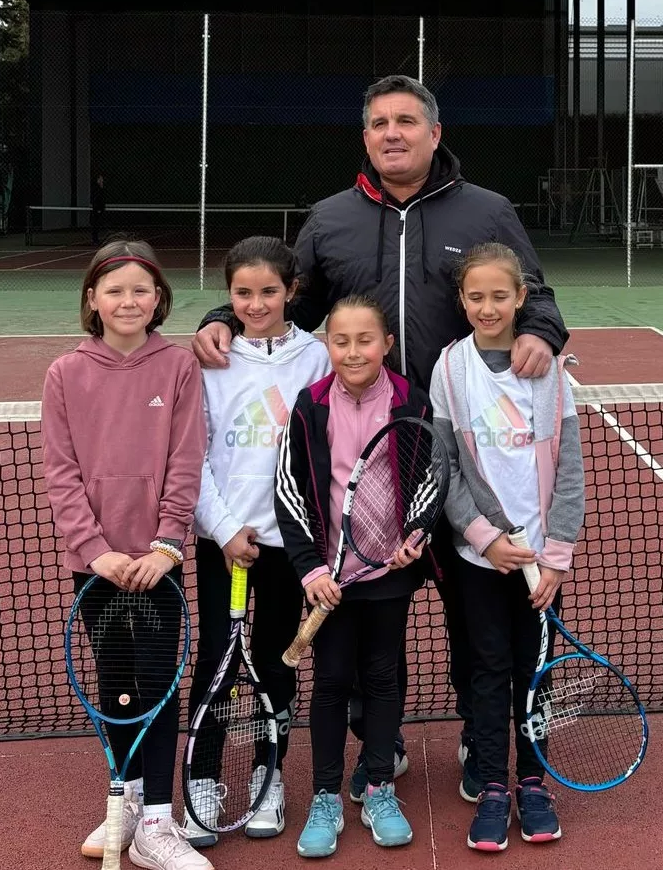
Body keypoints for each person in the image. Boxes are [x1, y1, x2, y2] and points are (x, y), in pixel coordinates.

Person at [190, 74, 570, 798]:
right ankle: (378, 741)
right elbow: (284, 297)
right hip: (352, 459)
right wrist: (223, 315)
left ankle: (485, 743)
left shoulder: (488, 210)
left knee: (480, 615)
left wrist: (544, 335)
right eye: (377, 124)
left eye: (405, 121)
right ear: (364, 136)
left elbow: (536, 294)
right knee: (362, 615)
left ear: (434, 131)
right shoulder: (331, 219)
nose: (391, 133)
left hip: (459, 455)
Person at [40, 240, 212, 870]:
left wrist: (168, 545)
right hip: (99, 570)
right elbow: (61, 472)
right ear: (92, 299)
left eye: (142, 289)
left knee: (159, 686)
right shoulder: (64, 372)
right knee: (115, 684)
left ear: (159, 299)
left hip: (157, 565)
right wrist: (95, 551)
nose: (128, 300)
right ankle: (127, 803)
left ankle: (161, 823)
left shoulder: (178, 368)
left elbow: (186, 459)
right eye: (114, 290)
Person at [429, 242, 583, 851]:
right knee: (489, 672)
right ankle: (494, 784)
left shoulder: (550, 374)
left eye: (500, 295)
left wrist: (555, 558)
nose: (487, 307)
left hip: (542, 567)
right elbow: (444, 470)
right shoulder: (449, 370)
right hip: (479, 562)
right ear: (461, 300)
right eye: (475, 297)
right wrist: (486, 539)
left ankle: (534, 781)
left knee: (535, 674)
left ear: (522, 297)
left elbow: (568, 470)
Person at [182, 236, 331, 848]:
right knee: (216, 663)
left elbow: (324, 453)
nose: (256, 303)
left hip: (288, 549)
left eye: (269, 291)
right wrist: (222, 530)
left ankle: (268, 779)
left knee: (275, 663)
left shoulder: (317, 360)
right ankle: (203, 780)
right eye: (242, 293)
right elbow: (193, 457)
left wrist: (299, 537)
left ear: (292, 290)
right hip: (225, 542)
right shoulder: (211, 361)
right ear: (228, 296)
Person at [272, 295, 433, 858]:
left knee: (383, 676)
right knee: (333, 682)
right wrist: (312, 568)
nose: (353, 350)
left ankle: (379, 784)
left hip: (387, 572)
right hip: (330, 578)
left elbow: (426, 477)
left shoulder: (411, 398)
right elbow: (289, 489)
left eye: (366, 340)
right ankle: (324, 795)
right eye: (340, 341)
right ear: (327, 345)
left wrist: (416, 534)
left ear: (387, 344)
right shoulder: (310, 403)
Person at [91, 173, 107, 246]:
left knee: (99, 225)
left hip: (100, 209)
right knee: (95, 225)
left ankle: (97, 239)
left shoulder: (102, 188)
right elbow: (96, 200)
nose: (102, 180)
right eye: (100, 179)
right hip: (97, 210)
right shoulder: (96, 189)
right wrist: (97, 209)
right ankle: (95, 240)